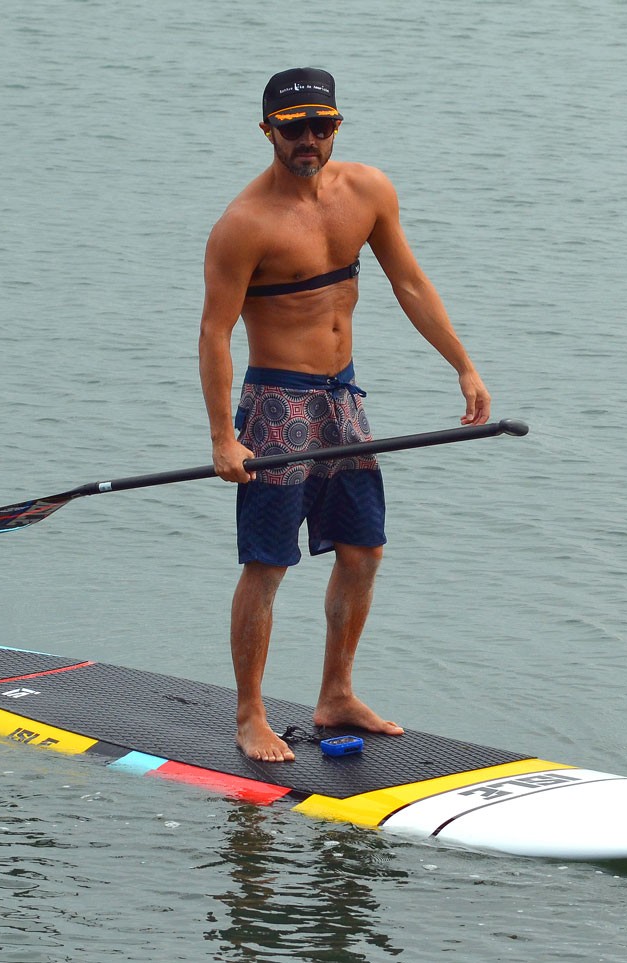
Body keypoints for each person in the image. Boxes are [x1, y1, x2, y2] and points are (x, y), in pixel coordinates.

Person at [197, 67, 491, 762]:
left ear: (337, 126)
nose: (309, 140)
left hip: (342, 398)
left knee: (364, 550)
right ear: (267, 130)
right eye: (294, 128)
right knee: (268, 564)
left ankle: (336, 693)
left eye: (321, 126)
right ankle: (249, 715)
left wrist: (464, 363)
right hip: (277, 406)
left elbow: (409, 281)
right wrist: (221, 436)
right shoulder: (244, 224)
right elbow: (215, 332)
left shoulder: (368, 191)